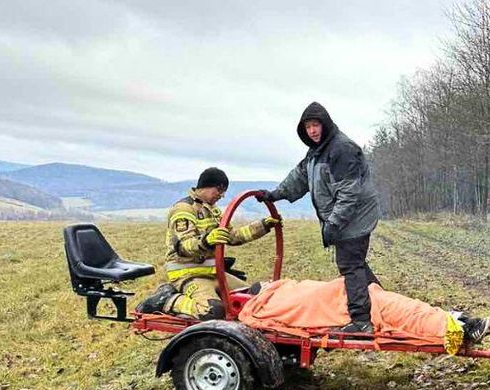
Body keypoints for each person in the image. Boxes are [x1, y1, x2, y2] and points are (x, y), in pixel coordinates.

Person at [258, 102, 381, 334]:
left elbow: (349, 192)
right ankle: (382, 304)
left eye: (316, 125)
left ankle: (362, 320)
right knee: (356, 264)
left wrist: (334, 223)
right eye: (307, 127)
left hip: (355, 216)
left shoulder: (342, 149)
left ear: (325, 125)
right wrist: (275, 195)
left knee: (350, 265)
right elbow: (299, 177)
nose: (312, 131)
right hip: (344, 216)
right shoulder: (316, 151)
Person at [137, 167, 279, 318]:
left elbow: (232, 237)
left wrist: (263, 226)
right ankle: (167, 300)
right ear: (206, 185)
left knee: (253, 300)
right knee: (212, 311)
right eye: (219, 190)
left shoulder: (213, 211)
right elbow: (184, 246)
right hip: (189, 275)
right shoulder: (183, 209)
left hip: (214, 274)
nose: (222, 195)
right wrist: (207, 241)